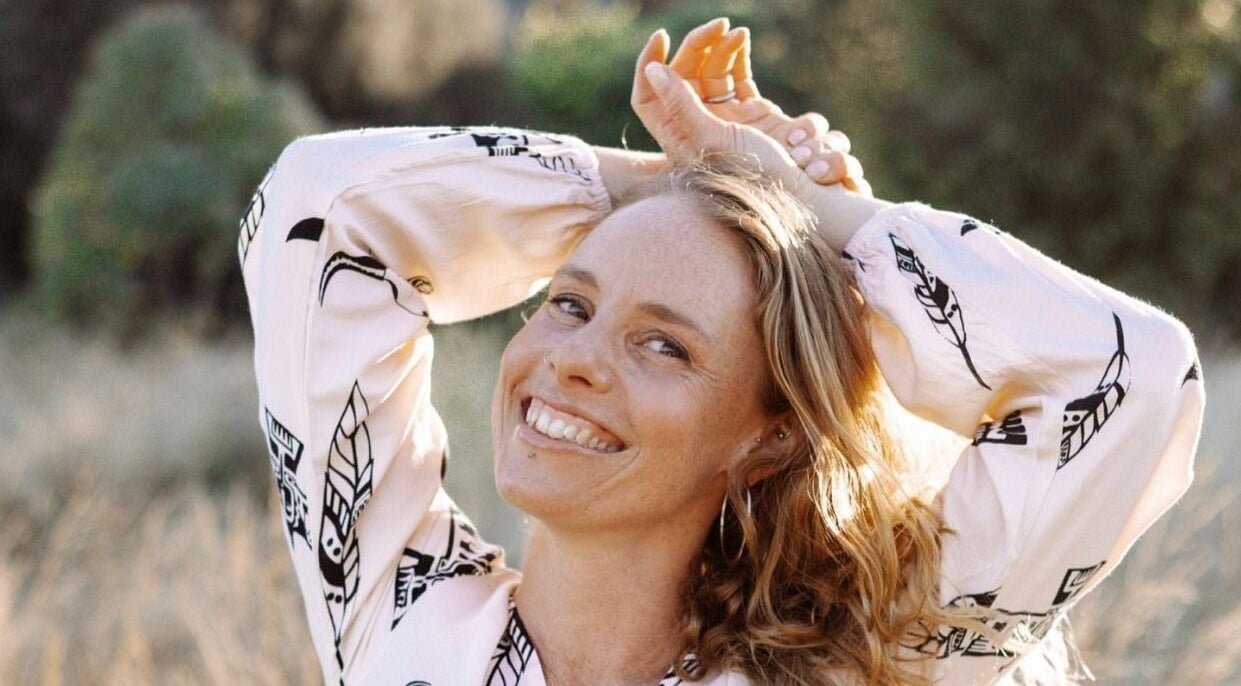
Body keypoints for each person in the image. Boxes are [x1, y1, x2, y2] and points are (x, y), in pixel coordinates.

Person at [239, 18, 1204, 686]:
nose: (573, 360)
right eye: (569, 303)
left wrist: (820, 219)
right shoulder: (396, 613)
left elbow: (1131, 377)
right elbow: (314, 214)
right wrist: (665, 180)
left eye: (663, 345)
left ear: (768, 437)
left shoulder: (868, 667)